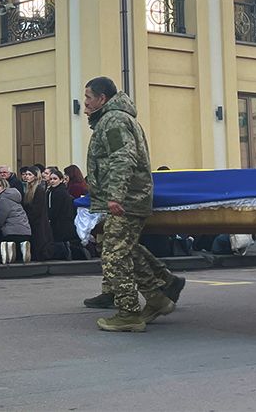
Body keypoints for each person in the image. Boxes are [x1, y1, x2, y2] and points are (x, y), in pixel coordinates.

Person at [84, 76, 177, 332]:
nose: (85, 105)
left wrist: (115, 195)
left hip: (126, 200)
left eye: (88, 98)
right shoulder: (114, 118)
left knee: (114, 254)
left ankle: (129, 313)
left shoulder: (113, 120)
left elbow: (122, 157)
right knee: (128, 251)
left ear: (102, 99)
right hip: (129, 198)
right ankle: (159, 296)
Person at [46, 167, 87, 260]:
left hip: (62, 221)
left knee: (62, 240)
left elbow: (55, 208)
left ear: (61, 180)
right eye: (51, 179)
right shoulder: (52, 191)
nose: (52, 181)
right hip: (62, 221)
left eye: (55, 179)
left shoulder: (59, 192)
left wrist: (49, 217)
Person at [0, 177, 31, 263]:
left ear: (5, 187)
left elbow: (0, 220)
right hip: (25, 231)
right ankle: (23, 248)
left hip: (12, 232)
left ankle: (9, 250)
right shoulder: (14, 198)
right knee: (19, 256)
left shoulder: (3, 200)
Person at [20, 166, 54, 261]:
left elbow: (38, 208)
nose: (27, 176)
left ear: (35, 176)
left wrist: (30, 217)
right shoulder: (28, 190)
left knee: (40, 238)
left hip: (38, 220)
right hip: (31, 219)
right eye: (26, 174)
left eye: (29, 175)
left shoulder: (39, 189)